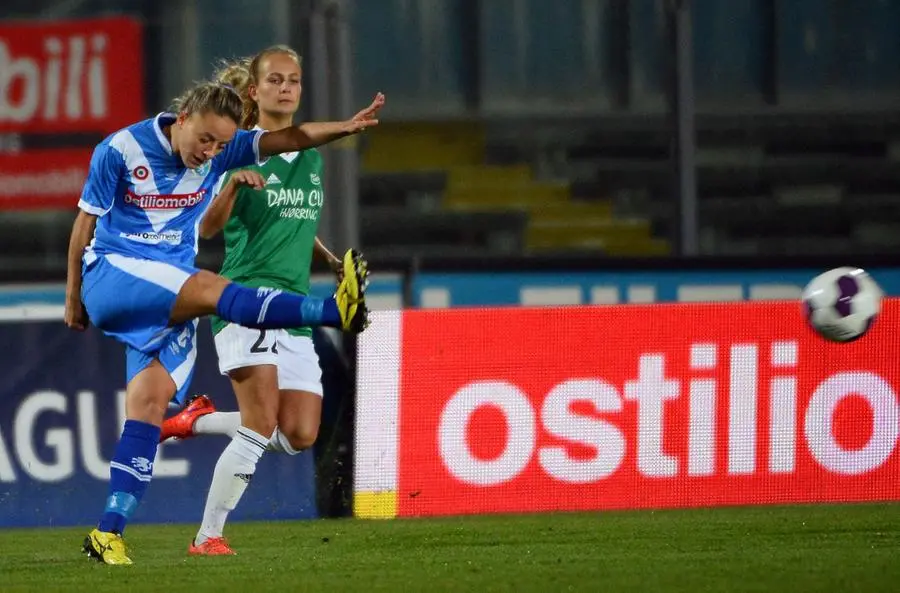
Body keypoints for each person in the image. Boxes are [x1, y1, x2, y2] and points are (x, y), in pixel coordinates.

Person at [66, 74, 385, 565]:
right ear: (183, 118)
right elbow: (85, 221)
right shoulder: (122, 148)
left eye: (219, 143)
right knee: (215, 289)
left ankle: (108, 531)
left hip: (169, 293)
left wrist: (345, 127)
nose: (209, 151)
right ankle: (330, 311)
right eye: (204, 139)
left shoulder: (226, 152)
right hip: (114, 274)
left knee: (148, 406)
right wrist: (72, 296)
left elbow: (292, 138)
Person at [156, 45, 351, 556]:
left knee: (298, 434)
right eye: (276, 80)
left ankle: (194, 420)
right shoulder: (233, 151)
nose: (286, 88)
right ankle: (208, 537)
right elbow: (205, 228)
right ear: (255, 90)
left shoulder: (308, 157)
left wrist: (329, 258)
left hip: (295, 307)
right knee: (259, 425)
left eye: (294, 80)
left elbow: (294, 222)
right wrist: (233, 188)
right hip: (244, 299)